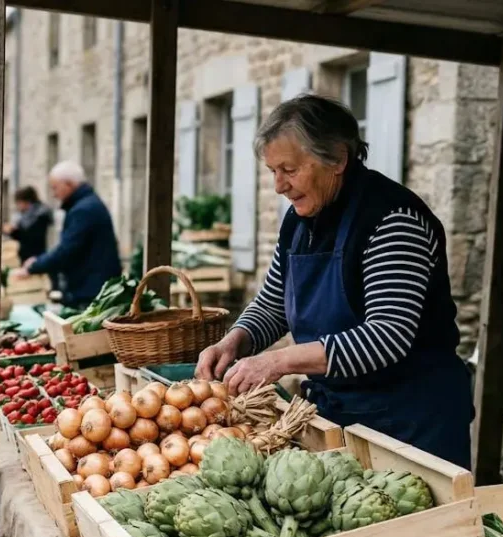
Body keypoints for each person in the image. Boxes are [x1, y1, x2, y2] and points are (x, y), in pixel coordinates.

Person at [196, 94, 472, 467]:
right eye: (273, 171)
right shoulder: (299, 220)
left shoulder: (392, 219)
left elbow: (386, 336)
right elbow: (275, 302)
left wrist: (279, 362)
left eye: (289, 169)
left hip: (411, 420)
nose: (279, 185)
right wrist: (235, 340)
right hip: (341, 411)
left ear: (338, 159)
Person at [12, 161, 121, 308]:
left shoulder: (83, 210)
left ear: (68, 184)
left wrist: (33, 266)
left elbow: (67, 249)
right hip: (91, 286)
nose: (54, 194)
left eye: (55, 187)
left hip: (90, 291)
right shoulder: (86, 205)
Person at [5, 186, 52, 263]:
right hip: (30, 256)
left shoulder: (39, 214)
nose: (18, 206)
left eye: (19, 203)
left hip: (36, 258)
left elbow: (29, 236)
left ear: (27, 202)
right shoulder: (29, 214)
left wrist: (12, 231)